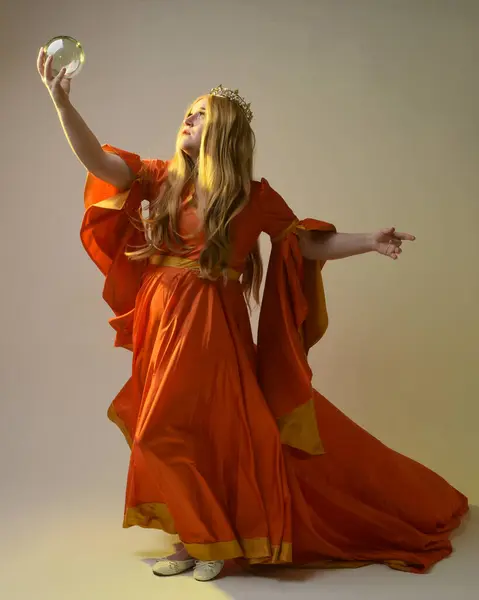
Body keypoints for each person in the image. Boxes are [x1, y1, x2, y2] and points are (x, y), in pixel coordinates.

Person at [37, 48, 468, 583]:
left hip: (208, 323)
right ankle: (200, 538)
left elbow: (307, 245)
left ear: (225, 133)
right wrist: (60, 105)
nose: (188, 119)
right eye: (187, 112)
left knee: (159, 432)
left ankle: (208, 537)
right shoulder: (160, 177)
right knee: (188, 435)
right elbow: (98, 163)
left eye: (201, 114)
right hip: (161, 319)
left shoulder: (249, 197)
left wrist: (368, 241)